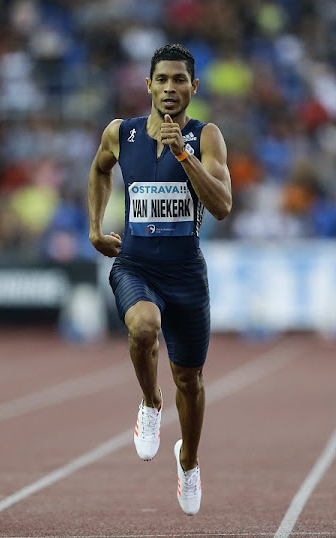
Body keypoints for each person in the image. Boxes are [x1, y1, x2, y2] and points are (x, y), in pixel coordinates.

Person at [87, 43, 232, 515]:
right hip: (136, 264)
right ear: (148, 85)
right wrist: (93, 228)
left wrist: (183, 156)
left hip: (186, 272)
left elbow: (223, 207)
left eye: (180, 80)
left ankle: (188, 463)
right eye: (162, 80)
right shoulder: (120, 133)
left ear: (194, 87)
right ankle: (150, 403)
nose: (170, 88)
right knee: (143, 327)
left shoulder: (206, 137)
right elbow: (98, 170)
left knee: (190, 379)